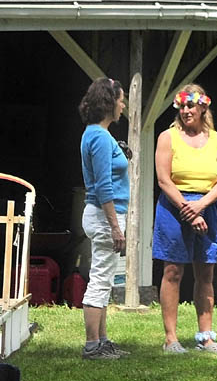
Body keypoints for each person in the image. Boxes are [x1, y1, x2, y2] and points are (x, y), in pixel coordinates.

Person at [153, 83, 217, 354]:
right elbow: (163, 179)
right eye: (182, 106)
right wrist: (188, 209)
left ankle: (206, 336)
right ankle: (170, 338)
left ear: (203, 106)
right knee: (173, 271)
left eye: (191, 105)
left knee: (205, 271)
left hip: (207, 206)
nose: (186, 110)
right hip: (175, 207)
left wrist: (202, 206)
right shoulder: (167, 137)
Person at [79, 77, 130, 360]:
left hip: (103, 215)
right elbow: (103, 186)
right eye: (121, 100)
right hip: (103, 216)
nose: (123, 105)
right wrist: (115, 227)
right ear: (110, 103)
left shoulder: (99, 135)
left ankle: (102, 341)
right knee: (99, 280)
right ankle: (92, 346)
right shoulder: (98, 137)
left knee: (104, 279)